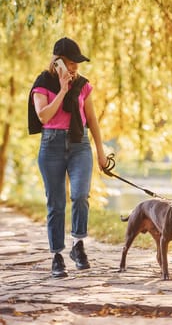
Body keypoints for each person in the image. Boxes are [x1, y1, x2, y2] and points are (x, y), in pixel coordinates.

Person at [28, 37, 107, 278]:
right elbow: (43, 116)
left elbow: (92, 120)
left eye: (77, 64)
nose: (75, 68)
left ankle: (78, 245)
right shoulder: (43, 82)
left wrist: (101, 153)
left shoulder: (83, 85)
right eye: (71, 63)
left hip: (79, 144)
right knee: (56, 204)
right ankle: (57, 256)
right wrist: (62, 90)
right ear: (58, 61)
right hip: (51, 145)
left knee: (81, 195)